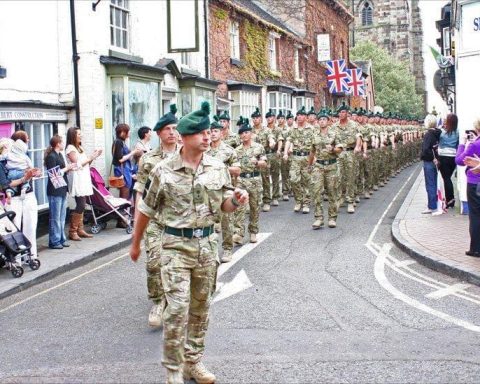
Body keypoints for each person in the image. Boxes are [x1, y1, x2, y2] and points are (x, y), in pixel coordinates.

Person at [130, 101, 248, 384]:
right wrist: (136, 244)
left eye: (209, 133)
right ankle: (173, 372)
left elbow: (223, 205)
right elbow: (146, 209)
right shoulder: (162, 170)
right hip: (175, 247)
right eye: (201, 134)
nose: (208, 137)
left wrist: (236, 200)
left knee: (200, 310)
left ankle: (192, 362)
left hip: (206, 247)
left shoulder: (217, 167)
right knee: (177, 310)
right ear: (184, 137)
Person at [133, 104, 179, 329]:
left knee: (179, 264)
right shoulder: (148, 159)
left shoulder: (188, 155)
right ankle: (158, 302)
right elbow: (140, 193)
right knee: (153, 263)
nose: (172, 132)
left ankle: (176, 299)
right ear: (159, 133)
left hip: (180, 219)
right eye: (167, 129)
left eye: (175, 128)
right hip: (154, 219)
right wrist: (136, 227)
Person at [3, 131, 41, 259]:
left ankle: (32, 256)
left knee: (31, 226)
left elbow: (30, 171)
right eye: (27, 139)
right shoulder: (4, 159)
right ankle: (17, 260)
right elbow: (7, 183)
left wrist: (35, 172)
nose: (29, 141)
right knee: (15, 228)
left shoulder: (25, 155)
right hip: (13, 199)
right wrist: (25, 178)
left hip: (29, 195)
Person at [207, 117, 240, 261]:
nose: (213, 134)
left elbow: (238, 170)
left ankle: (227, 249)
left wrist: (223, 167)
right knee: (208, 221)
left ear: (221, 133)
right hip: (207, 190)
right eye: (210, 131)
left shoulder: (229, 151)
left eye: (215, 131)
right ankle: (211, 250)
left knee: (226, 221)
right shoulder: (204, 150)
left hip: (224, 189)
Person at [232, 118, 267, 245]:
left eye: (246, 132)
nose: (244, 135)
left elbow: (264, 163)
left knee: (254, 207)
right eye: (241, 133)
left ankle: (253, 231)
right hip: (241, 180)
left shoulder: (258, 148)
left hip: (255, 180)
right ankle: (239, 233)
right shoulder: (236, 151)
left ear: (251, 133)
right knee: (240, 208)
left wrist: (257, 162)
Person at [65, 127, 102, 240]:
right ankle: (73, 231)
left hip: (83, 177)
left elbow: (86, 163)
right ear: (73, 136)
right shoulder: (70, 148)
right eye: (79, 134)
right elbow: (77, 163)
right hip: (77, 179)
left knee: (83, 203)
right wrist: (90, 157)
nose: (81, 136)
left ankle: (80, 229)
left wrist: (94, 156)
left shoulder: (79, 147)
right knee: (80, 204)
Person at [308, 109, 342, 229]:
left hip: (331, 166)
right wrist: (310, 164)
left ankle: (332, 218)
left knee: (332, 192)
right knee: (316, 191)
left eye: (324, 119)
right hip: (318, 166)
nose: (322, 121)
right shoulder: (314, 134)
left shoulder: (334, 133)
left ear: (328, 121)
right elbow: (312, 151)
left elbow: (340, 149)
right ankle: (318, 218)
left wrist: (333, 149)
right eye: (320, 120)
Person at [45, 135, 75, 249]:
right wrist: (67, 168)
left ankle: (61, 239)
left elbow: (62, 171)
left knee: (62, 217)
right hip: (54, 190)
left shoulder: (59, 155)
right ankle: (54, 241)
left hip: (62, 189)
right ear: (58, 143)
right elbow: (54, 174)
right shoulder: (51, 157)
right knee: (55, 217)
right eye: (62, 142)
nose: (63, 144)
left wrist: (69, 168)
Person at [455, 118, 480, 257]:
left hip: (475, 183)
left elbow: (459, 160)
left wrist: (463, 144)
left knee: (476, 215)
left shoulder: (474, 145)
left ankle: (476, 248)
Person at [112, 124, 142, 207]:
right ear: (122, 132)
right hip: (122, 172)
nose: (130, 132)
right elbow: (120, 159)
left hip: (126, 171)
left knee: (126, 196)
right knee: (124, 198)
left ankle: (124, 217)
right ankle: (122, 219)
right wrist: (133, 152)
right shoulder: (118, 142)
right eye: (128, 131)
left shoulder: (121, 142)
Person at [420, 115, 441, 214]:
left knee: (430, 184)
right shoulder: (438, 133)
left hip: (430, 161)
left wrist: (431, 158)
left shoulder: (428, 134)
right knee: (435, 183)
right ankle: (436, 202)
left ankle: (432, 206)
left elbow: (426, 149)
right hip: (437, 160)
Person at [438, 114, 459, 209]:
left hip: (443, 157)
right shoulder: (458, 132)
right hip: (453, 157)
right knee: (448, 178)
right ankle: (449, 199)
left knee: (446, 178)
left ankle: (450, 200)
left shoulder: (443, 133)